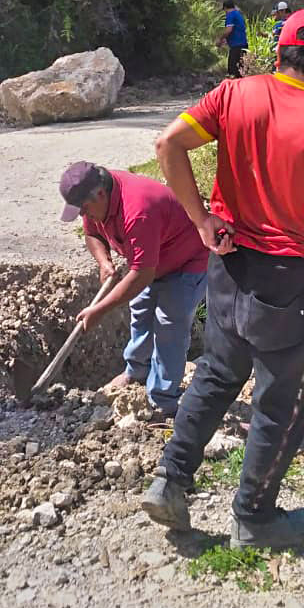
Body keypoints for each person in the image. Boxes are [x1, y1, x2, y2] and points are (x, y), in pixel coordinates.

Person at [140, 9, 304, 549]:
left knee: (218, 371)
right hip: (293, 280)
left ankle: (170, 481)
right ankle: (254, 516)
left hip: (229, 261)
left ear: (278, 54)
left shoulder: (233, 94)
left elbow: (168, 145)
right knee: (281, 398)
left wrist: (201, 220)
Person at [58, 162, 209, 418]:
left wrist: (100, 310)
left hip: (186, 262)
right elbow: (92, 234)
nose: (84, 215)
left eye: (84, 209)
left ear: (101, 195)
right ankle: (136, 370)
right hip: (151, 260)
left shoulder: (138, 210)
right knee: (140, 311)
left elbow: (141, 275)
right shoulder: (98, 198)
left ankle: (162, 400)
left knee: (168, 326)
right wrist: (104, 261)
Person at [218, 0, 249, 79]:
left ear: (225, 8)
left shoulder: (230, 15)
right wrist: (227, 39)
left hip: (236, 47)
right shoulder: (238, 14)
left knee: (233, 72)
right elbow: (237, 30)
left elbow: (229, 30)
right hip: (244, 45)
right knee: (241, 72)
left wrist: (220, 39)